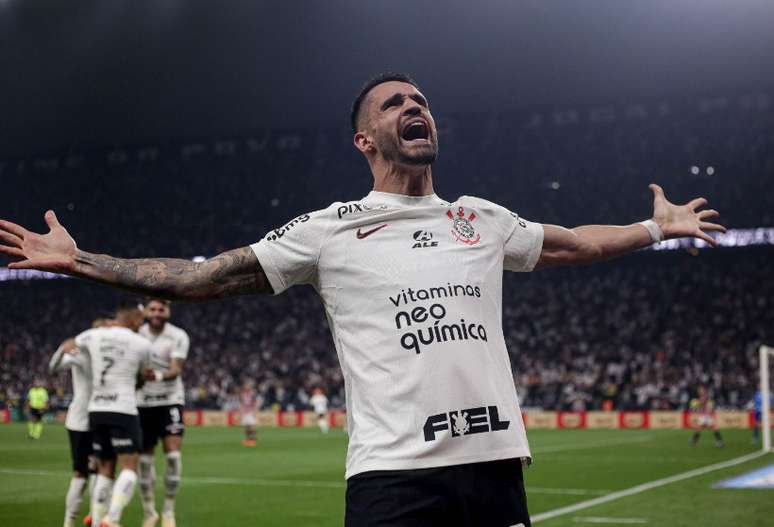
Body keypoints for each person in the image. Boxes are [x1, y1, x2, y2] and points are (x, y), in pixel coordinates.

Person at [0, 73, 726, 526]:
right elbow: (204, 277)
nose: (415, 107)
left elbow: (574, 242)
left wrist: (651, 228)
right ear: (365, 137)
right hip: (393, 480)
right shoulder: (329, 229)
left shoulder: (479, 218)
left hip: (495, 466)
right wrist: (80, 262)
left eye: (422, 100)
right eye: (395, 103)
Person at [72, 302, 152, 527]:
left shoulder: (92, 335)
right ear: (135, 317)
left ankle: (97, 521)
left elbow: (71, 345)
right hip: (123, 409)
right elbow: (141, 378)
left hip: (96, 410)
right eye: (142, 319)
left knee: (104, 469)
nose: (142, 323)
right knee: (129, 466)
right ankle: (112, 518)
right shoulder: (141, 343)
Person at [135, 298, 189, 527]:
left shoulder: (178, 335)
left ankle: (168, 510)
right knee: (145, 462)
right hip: (142, 402)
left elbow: (176, 369)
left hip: (170, 400)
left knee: (174, 456)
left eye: (162, 309)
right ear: (145, 311)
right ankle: (149, 511)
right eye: (153, 309)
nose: (157, 313)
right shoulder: (135, 334)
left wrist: (155, 375)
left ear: (168, 311)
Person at [49, 318, 106, 527]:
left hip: (103, 417)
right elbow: (53, 367)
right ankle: (69, 521)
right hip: (81, 420)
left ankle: (95, 517)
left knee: (100, 470)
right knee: (82, 472)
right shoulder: (79, 354)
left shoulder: (111, 355)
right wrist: (62, 349)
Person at [239, 380, 259, 447]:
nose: (246, 387)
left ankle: (253, 440)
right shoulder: (242, 394)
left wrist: (255, 412)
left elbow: (255, 403)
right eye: (245, 386)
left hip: (251, 411)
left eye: (248, 386)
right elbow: (241, 404)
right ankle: (248, 440)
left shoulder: (252, 394)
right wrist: (241, 412)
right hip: (245, 412)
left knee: (251, 426)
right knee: (246, 427)